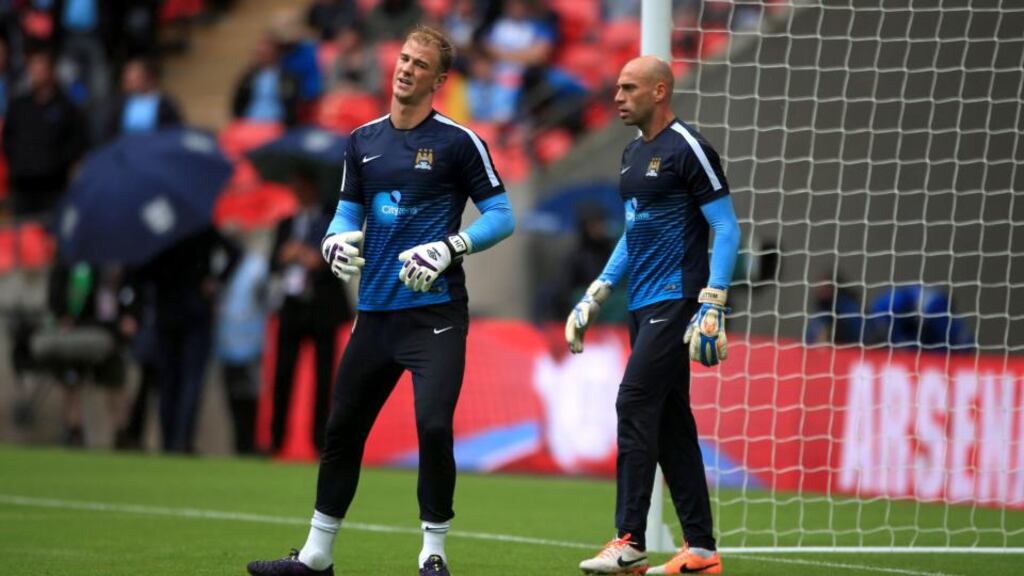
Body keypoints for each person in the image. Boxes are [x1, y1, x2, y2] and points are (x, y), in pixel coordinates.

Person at [246, 25, 515, 576]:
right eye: (404, 58)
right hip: (375, 313)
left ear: (438, 80)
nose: (406, 68)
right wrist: (334, 239)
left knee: (435, 427)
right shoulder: (362, 141)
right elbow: (348, 211)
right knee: (342, 429)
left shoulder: (459, 142)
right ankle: (317, 556)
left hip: (435, 314)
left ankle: (433, 554)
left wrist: (449, 247)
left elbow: (503, 217)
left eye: (420, 64)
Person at [566, 56, 740, 575]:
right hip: (641, 304)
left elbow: (726, 227)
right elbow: (634, 233)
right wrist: (596, 292)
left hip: (677, 298)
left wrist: (713, 301)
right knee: (670, 425)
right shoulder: (629, 153)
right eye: (616, 87)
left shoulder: (689, 148)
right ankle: (703, 550)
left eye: (628, 88)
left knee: (634, 401)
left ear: (659, 91)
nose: (617, 96)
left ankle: (629, 540)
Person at [268, 168, 352, 454]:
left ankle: (320, 441)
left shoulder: (333, 221)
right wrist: (286, 256)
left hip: (323, 309)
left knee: (323, 377)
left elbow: (340, 260)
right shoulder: (287, 223)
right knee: (282, 375)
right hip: (291, 307)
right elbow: (273, 262)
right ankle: (276, 440)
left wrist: (313, 258)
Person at [102, 56, 183, 141]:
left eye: (134, 79)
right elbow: (110, 133)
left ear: (149, 78)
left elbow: (175, 132)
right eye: (126, 78)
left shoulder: (165, 104)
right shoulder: (119, 103)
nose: (127, 82)